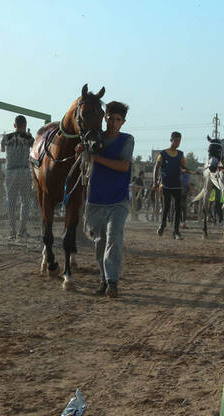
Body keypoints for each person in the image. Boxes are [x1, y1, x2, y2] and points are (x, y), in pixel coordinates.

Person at [82, 101, 135, 298]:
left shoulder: (127, 140)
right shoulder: (94, 139)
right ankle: (103, 280)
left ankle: (113, 282)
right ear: (104, 118)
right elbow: (85, 161)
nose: (113, 123)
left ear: (123, 122)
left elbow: (123, 166)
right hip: (95, 200)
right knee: (99, 242)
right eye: (110, 119)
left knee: (113, 239)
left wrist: (97, 159)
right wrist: (83, 151)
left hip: (118, 201)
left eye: (118, 120)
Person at [1, 115, 35, 238]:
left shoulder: (6, 137)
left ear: (14, 125)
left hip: (10, 171)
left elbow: (2, 150)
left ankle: (12, 231)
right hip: (24, 171)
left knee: (11, 201)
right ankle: (22, 230)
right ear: (25, 126)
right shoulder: (29, 137)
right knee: (25, 201)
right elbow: (34, 148)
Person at [152, 132, 188, 240]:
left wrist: (186, 171)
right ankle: (162, 225)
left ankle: (176, 231)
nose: (177, 143)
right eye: (175, 140)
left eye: (179, 141)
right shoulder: (163, 154)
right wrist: (155, 182)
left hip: (177, 185)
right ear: (171, 140)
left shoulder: (181, 155)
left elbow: (183, 168)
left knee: (178, 208)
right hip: (166, 185)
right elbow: (156, 168)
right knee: (166, 207)